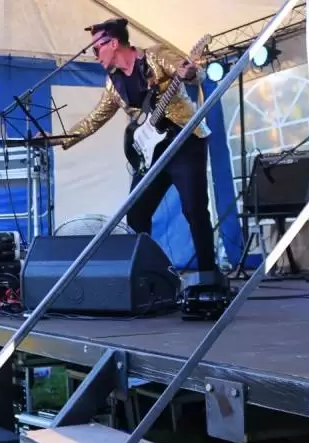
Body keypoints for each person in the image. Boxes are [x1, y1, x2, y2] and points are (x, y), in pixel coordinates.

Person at [50, 18, 219, 278]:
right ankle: (150, 277)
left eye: (96, 49)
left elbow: (194, 74)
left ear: (114, 43)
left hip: (184, 141)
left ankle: (209, 276)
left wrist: (190, 74)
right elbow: (94, 120)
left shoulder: (156, 56)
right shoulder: (113, 84)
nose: (95, 55)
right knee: (137, 213)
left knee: (194, 209)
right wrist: (57, 139)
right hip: (151, 152)